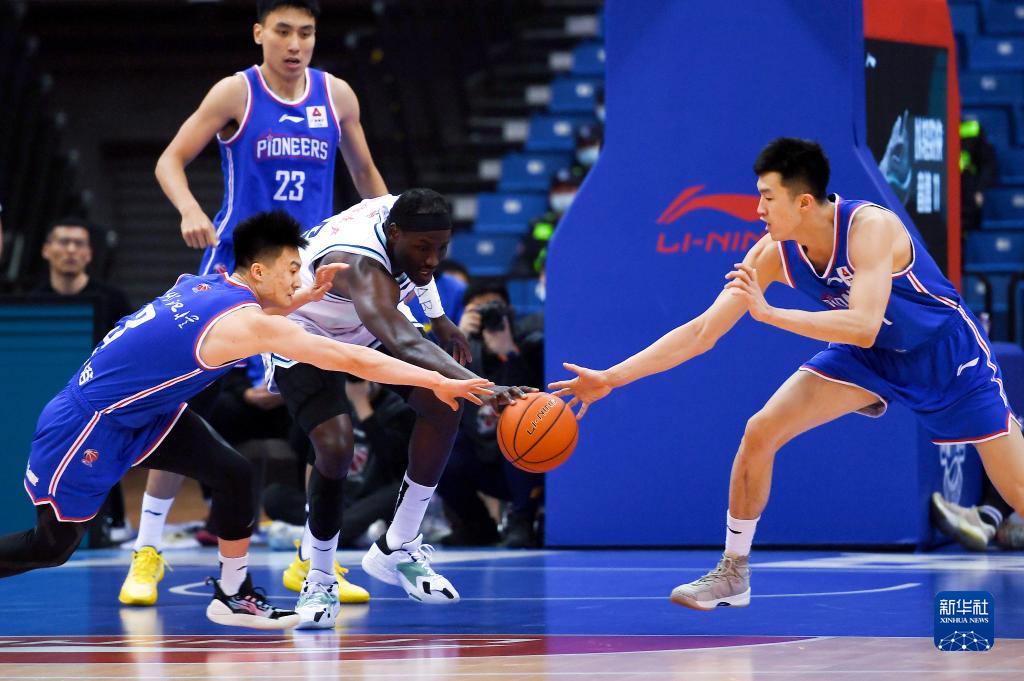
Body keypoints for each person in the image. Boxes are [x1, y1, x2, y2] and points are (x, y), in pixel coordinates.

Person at [551, 138, 1024, 610]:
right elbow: (702, 332)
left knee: (1018, 491)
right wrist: (611, 377)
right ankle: (733, 572)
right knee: (761, 430)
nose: (757, 209)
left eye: (767, 197)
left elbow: (863, 324)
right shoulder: (772, 253)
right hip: (872, 357)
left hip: (944, 353)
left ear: (803, 202)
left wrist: (771, 314)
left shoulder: (870, 228)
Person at [0, 211, 490, 630]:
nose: (300, 279)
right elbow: (349, 358)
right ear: (258, 270)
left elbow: (252, 303)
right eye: (293, 270)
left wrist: (300, 299)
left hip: (147, 414)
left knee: (234, 474)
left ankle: (233, 595)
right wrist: (438, 381)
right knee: (51, 547)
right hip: (89, 425)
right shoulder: (245, 324)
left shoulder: (209, 281)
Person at [125, 0, 388, 608]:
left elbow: (368, 177)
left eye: (307, 33)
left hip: (306, 279)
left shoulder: (337, 96)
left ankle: (313, 560)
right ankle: (147, 550)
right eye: (283, 31)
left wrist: (390, 234)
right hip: (235, 274)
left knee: (326, 419)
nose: (295, 44)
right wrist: (190, 209)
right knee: (184, 407)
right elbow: (169, 160)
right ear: (259, 34)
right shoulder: (235, 93)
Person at [266, 188, 530, 627]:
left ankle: (398, 545)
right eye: (424, 248)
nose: (433, 259)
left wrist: (439, 317)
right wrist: (484, 387)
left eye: (442, 248)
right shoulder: (360, 266)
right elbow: (402, 339)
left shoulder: (409, 216)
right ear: (393, 234)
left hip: (368, 320)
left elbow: (419, 270)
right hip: (304, 326)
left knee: (445, 404)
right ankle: (319, 578)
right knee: (336, 446)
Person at [34, 217, 135, 546]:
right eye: (63, 242)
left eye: (78, 244)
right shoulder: (32, 301)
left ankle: (113, 520)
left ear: (89, 254)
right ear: (46, 250)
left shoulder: (113, 299)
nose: (70, 250)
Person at [439, 280, 545, 547]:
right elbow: (437, 393)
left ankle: (522, 520)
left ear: (510, 311)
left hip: (528, 462)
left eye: (494, 309)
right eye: (479, 311)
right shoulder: (460, 351)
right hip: (482, 455)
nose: (488, 316)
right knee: (441, 452)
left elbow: (530, 401)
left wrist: (509, 353)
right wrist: (456, 338)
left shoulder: (531, 345)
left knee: (519, 431)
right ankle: (477, 525)